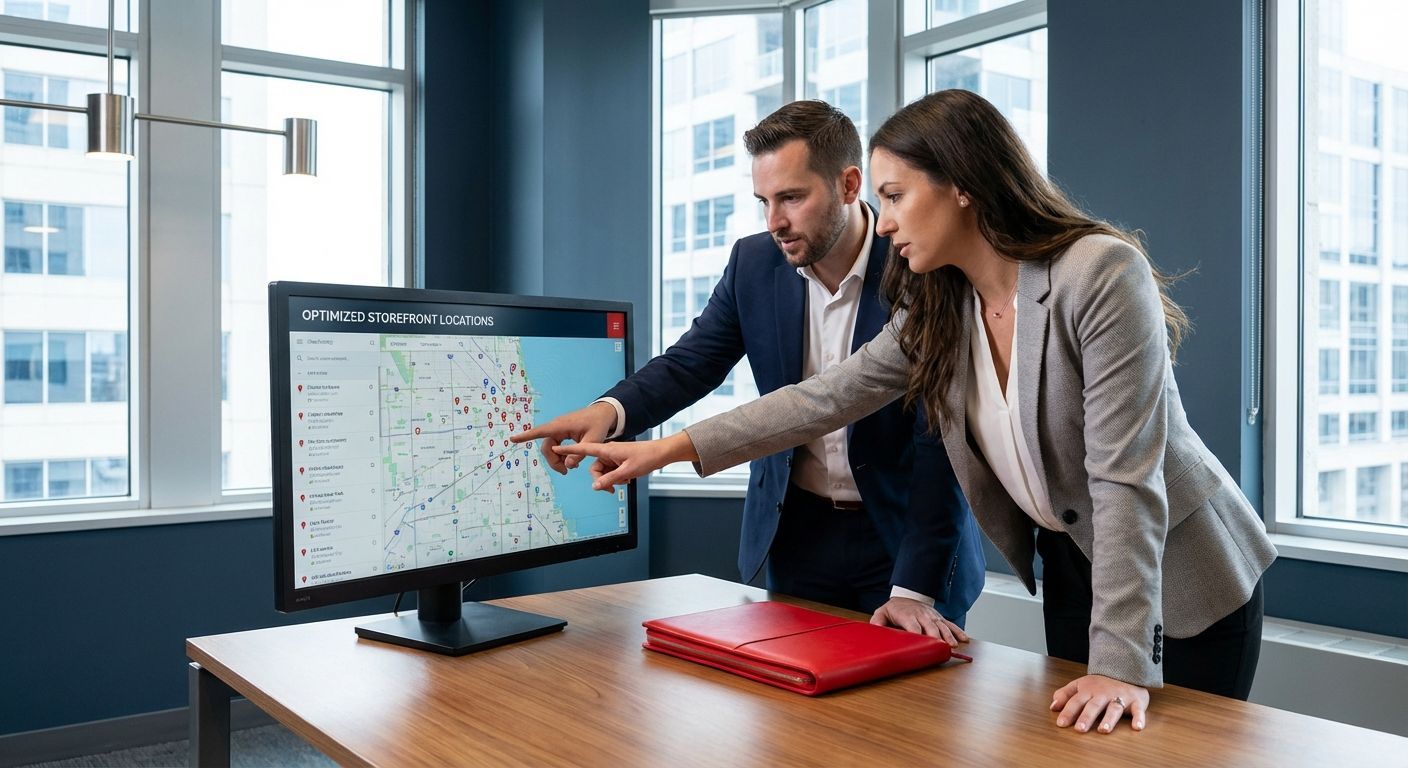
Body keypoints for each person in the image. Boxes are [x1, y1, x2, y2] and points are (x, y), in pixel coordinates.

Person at [549, 90, 1277, 736]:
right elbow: (824, 398)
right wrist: (662, 448)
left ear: (961, 187)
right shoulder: (943, 300)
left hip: (1183, 573)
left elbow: (1123, 480)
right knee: (1082, 748)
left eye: (895, 196)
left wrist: (1120, 661)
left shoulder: (1098, 273)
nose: (885, 220)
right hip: (1074, 560)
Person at [513, 100, 984, 640]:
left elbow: (942, 447)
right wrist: (608, 412)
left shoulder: (922, 263)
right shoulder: (753, 263)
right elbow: (690, 363)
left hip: (908, 539)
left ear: (850, 184)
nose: (774, 222)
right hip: (796, 534)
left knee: (914, 718)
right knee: (792, 716)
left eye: (791, 198)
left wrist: (914, 586)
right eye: (763, 200)